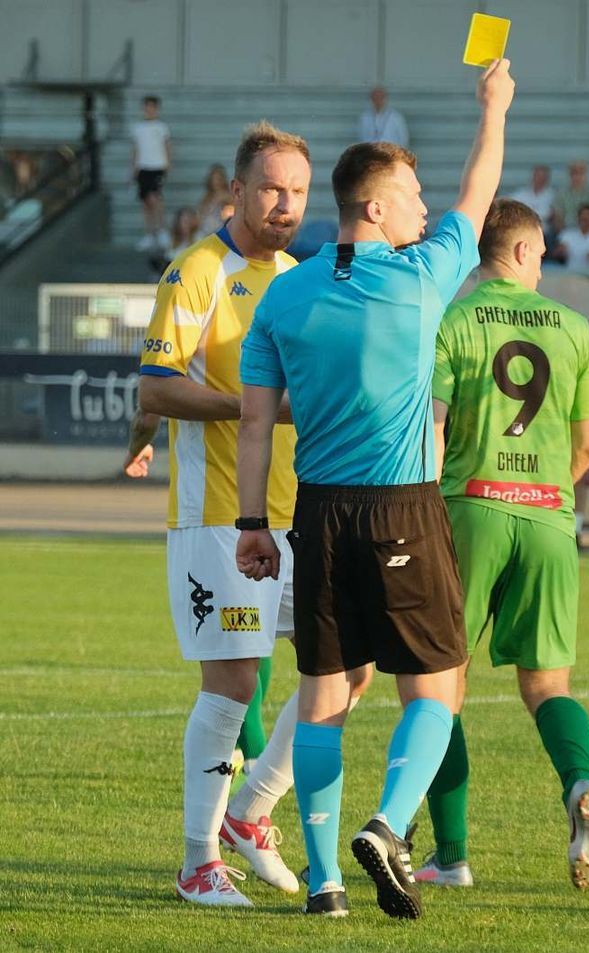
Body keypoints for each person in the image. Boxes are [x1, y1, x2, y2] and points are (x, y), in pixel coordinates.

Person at [235, 59, 515, 920]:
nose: (428, 209)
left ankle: (322, 885)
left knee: (322, 695)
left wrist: (253, 522)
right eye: (414, 196)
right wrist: (494, 105)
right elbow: (481, 187)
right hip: (401, 503)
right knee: (437, 683)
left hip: (315, 511)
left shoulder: (282, 298)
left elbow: (254, 423)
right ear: (380, 207)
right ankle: (389, 826)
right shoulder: (422, 275)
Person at [137, 121, 313, 908]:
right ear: (236, 191)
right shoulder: (199, 270)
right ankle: (197, 859)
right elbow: (154, 387)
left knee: (347, 664)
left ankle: (251, 812)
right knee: (235, 683)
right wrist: (251, 407)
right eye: (272, 187)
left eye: (298, 191)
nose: (285, 203)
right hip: (218, 516)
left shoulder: (301, 276)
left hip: (300, 512)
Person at [417, 197, 589, 890]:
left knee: (442, 685)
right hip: (551, 517)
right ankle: (580, 781)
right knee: (548, 683)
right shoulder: (574, 327)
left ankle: (453, 855)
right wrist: (547, 492)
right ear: (526, 251)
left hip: (471, 509)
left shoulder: (455, 319)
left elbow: (432, 428)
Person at [131, 95, 171, 252]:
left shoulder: (161, 127)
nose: (149, 110)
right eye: (146, 107)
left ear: (157, 109)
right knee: (145, 202)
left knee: (156, 198)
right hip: (142, 167)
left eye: (152, 107)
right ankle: (149, 234)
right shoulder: (138, 128)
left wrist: (168, 163)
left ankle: (161, 231)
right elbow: (135, 149)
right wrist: (134, 168)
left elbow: (167, 146)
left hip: (157, 166)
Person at [551, 160, 589, 234]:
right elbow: (557, 217)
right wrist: (565, 234)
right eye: (574, 173)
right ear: (570, 175)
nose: (577, 176)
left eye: (581, 173)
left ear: (586, 175)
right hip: (567, 231)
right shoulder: (561, 194)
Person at [555, 204, 589, 270]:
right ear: (578, 218)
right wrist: (560, 252)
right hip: (571, 273)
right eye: (583, 218)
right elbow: (556, 254)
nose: (586, 220)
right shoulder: (568, 233)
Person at [197, 163, 235, 238]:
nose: (216, 182)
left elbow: (234, 209)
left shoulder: (226, 195)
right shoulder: (206, 197)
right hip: (205, 231)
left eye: (218, 179)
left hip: (220, 229)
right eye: (213, 179)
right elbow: (201, 215)